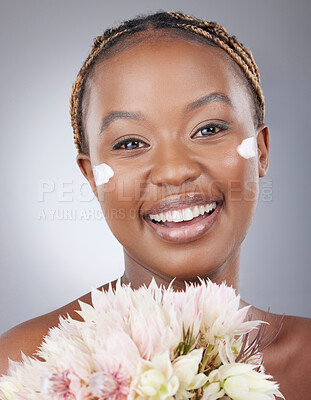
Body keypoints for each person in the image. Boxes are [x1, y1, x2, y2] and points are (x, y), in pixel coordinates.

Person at [0, 11, 310, 399]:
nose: (174, 170)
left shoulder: (308, 362)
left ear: (261, 150)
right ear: (92, 176)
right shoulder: (26, 367)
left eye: (209, 129)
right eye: (130, 143)